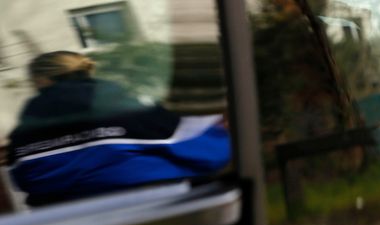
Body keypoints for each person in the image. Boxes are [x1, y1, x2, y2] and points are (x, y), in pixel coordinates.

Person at [6, 51, 229, 206]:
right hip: (152, 208)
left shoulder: (27, 125)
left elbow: (23, 178)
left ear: (42, 80)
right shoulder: (120, 102)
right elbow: (202, 150)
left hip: (65, 222)